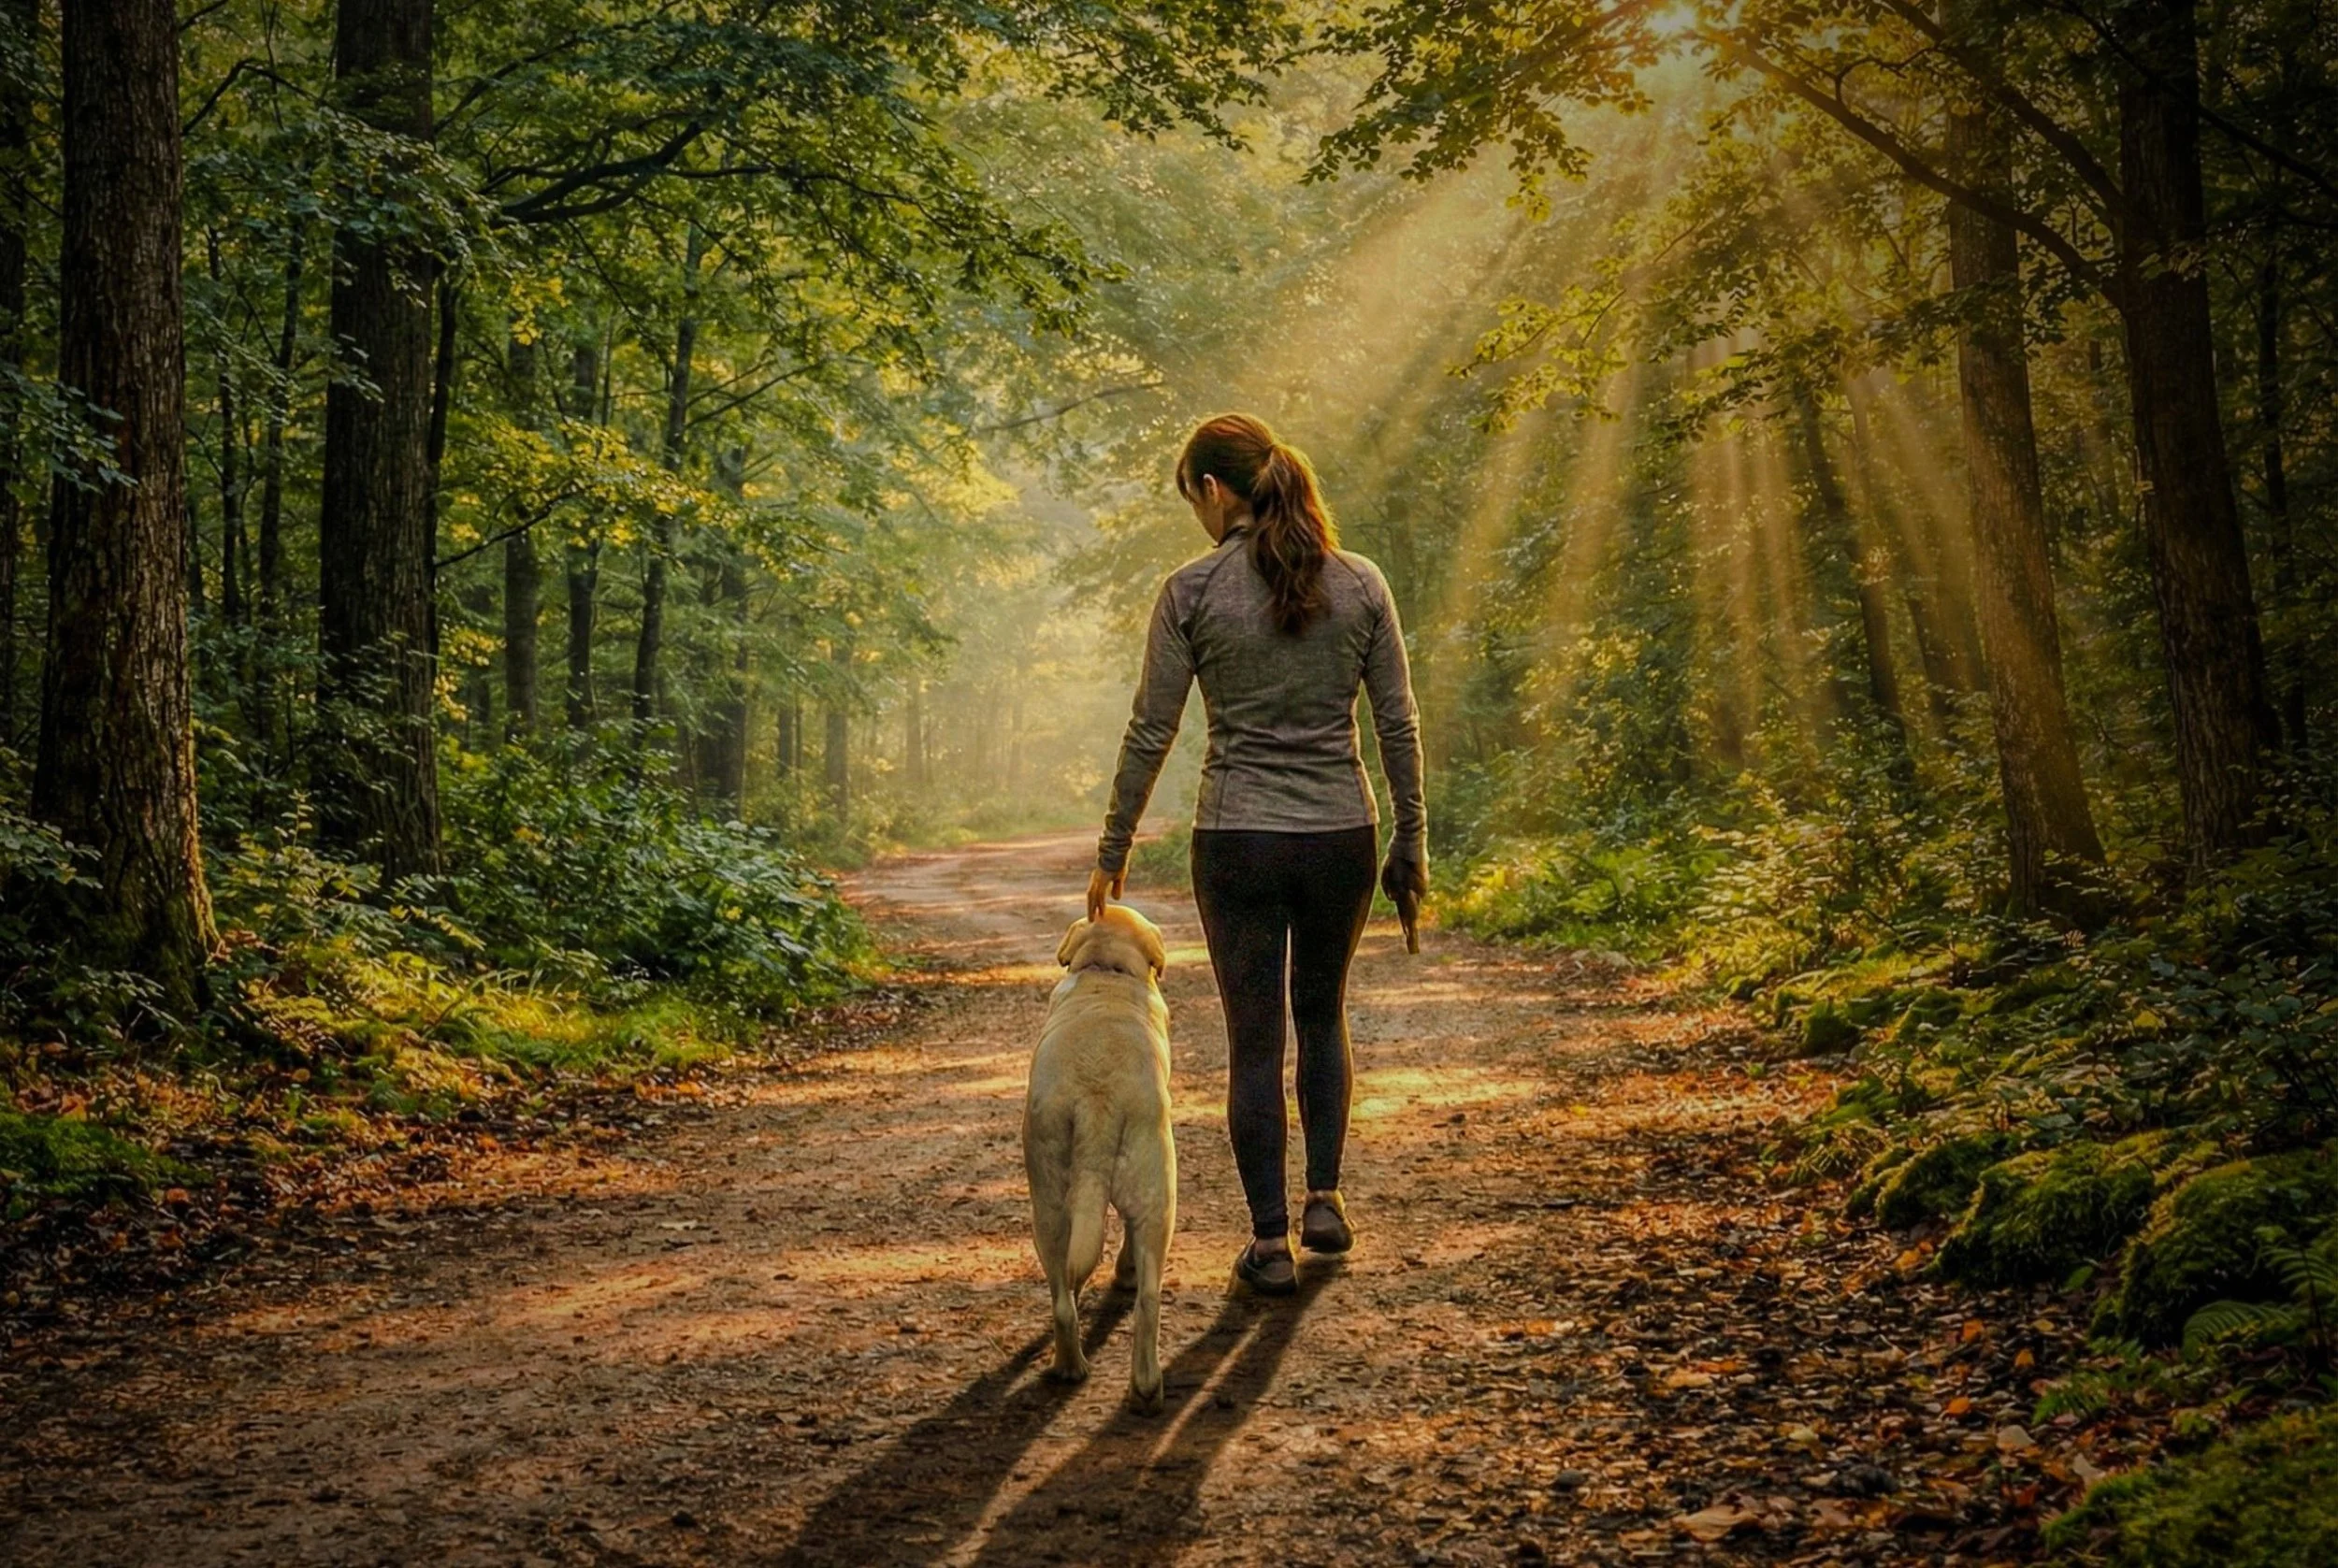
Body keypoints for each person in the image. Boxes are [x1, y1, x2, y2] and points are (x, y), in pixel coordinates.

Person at [1087, 411, 1427, 1297]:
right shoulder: (1361, 584)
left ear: (1211, 488)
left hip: (1235, 836)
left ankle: (1269, 1241)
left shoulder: (1191, 592)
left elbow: (1150, 728)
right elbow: (1396, 720)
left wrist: (1113, 845)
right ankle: (1324, 1196)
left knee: (1253, 1038)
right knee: (1322, 1014)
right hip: (1339, 835)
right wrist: (1411, 838)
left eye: (1192, 499)